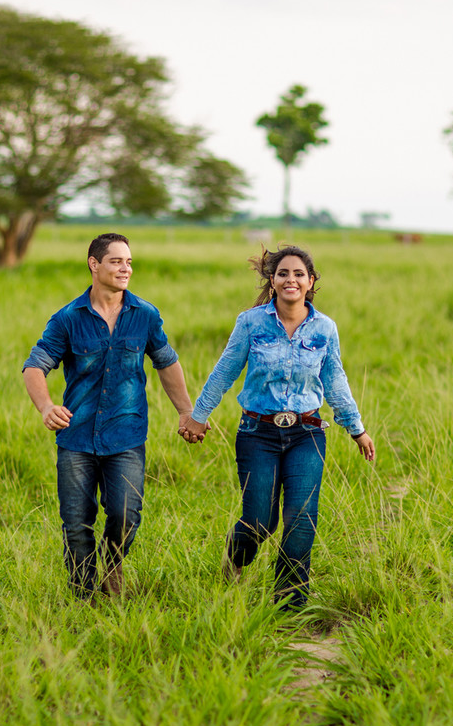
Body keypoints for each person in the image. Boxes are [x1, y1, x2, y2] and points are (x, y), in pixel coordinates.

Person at [182, 245, 374, 610]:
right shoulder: (250, 322)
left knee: (301, 518)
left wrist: (356, 429)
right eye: (283, 273)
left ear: (311, 282)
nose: (291, 279)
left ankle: (290, 606)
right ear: (272, 281)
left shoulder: (325, 328)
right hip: (258, 434)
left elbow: (335, 382)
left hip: (308, 432)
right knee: (259, 520)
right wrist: (199, 415)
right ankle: (236, 558)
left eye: (299, 274)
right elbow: (225, 371)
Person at [23, 233, 206, 600]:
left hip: (126, 434)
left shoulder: (145, 315)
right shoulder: (68, 318)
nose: (126, 268)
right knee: (76, 524)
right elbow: (35, 367)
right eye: (117, 261)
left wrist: (187, 411)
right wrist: (46, 407)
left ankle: (111, 565)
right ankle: (83, 597)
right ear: (94, 265)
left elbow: (166, 362)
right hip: (76, 437)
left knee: (126, 515)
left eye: (129, 262)